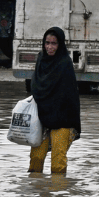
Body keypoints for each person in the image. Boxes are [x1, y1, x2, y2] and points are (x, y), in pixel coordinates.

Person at [29, 27, 81, 173]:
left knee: (58, 161)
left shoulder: (65, 63)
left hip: (62, 119)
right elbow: (35, 86)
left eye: (54, 43)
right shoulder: (41, 60)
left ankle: (58, 187)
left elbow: (69, 95)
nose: (50, 47)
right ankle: (36, 186)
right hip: (42, 118)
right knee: (36, 158)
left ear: (60, 45)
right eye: (47, 43)